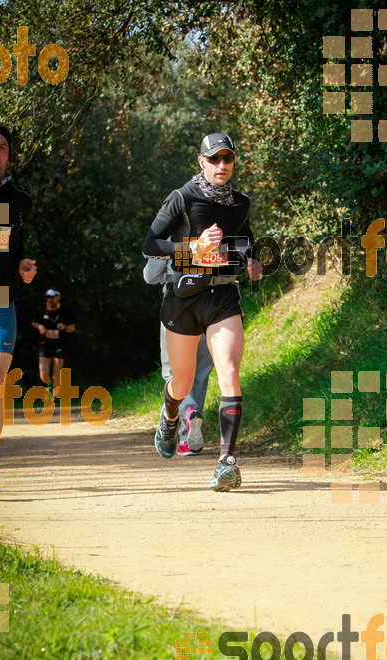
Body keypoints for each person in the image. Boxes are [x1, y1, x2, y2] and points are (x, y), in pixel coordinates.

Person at [142, 132, 262, 491]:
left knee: (230, 371)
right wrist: (193, 247)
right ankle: (170, 415)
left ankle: (227, 463)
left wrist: (253, 263)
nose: (221, 166)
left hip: (223, 297)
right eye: (214, 159)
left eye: (228, 159)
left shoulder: (241, 203)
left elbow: (246, 241)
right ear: (202, 162)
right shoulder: (182, 198)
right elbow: (150, 246)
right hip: (183, 299)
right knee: (181, 382)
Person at [0, 122, 37, 494]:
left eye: (2, 147)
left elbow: (9, 246)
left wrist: (22, 265)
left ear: (9, 156)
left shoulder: (18, 200)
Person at [143, 257, 213, 455]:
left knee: (174, 372)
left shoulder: (169, 231)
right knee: (200, 373)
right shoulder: (214, 228)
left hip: (178, 302)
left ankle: (186, 419)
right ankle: (188, 438)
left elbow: (150, 276)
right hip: (215, 302)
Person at [31, 288, 75, 398]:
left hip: (60, 345)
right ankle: (49, 384)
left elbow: (72, 328)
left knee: (56, 374)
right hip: (44, 345)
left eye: (52, 297)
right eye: (48, 297)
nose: (50, 299)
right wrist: (40, 327)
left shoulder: (65, 311)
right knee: (44, 374)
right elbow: (34, 322)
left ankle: (55, 399)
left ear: (58, 297)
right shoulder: (41, 310)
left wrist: (64, 327)